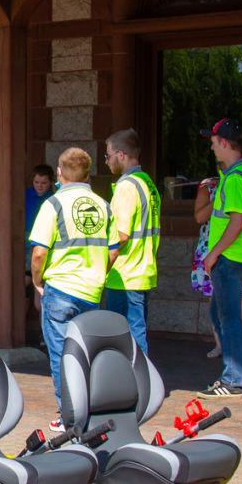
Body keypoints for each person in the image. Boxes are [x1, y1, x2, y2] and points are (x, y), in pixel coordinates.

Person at [29, 147, 118, 406]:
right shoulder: (104, 205)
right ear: (88, 175)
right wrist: (98, 273)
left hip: (60, 289)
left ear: (59, 173)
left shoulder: (53, 204)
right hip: (91, 291)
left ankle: (70, 415)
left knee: (61, 355)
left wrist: (37, 281)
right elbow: (113, 251)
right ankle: (89, 407)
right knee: (87, 352)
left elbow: (38, 253)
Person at [197, 119, 242, 399]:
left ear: (224, 142)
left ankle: (233, 380)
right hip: (237, 255)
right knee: (219, 314)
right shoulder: (238, 174)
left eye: (212, 142)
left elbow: (236, 222)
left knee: (228, 317)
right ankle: (231, 377)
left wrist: (213, 254)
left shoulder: (235, 179)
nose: (211, 147)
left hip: (230, 256)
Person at [192, 175, 242, 361]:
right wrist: (216, 200)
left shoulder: (241, 179)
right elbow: (199, 217)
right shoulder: (208, 185)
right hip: (211, 246)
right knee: (214, 298)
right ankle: (220, 344)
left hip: (237, 249)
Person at [102, 129, 159, 352]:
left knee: (127, 336)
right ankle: (141, 381)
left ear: (121, 154)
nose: (106, 161)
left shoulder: (126, 187)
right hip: (142, 270)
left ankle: (138, 383)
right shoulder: (148, 184)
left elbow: (120, 237)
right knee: (136, 330)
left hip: (124, 274)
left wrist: (103, 268)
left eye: (108, 156)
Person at [24, 163, 55, 245]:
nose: (39, 186)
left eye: (44, 183)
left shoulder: (54, 198)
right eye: (36, 182)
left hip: (45, 235)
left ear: (51, 182)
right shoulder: (25, 194)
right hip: (26, 234)